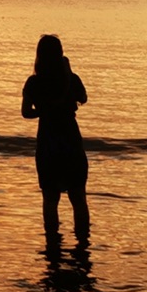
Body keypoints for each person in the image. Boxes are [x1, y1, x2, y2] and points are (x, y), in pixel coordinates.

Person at [20, 33, 90, 242]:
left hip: (48, 143)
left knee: (50, 199)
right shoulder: (71, 79)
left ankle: (52, 244)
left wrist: (45, 111)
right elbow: (84, 98)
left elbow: (26, 112)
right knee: (78, 198)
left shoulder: (34, 83)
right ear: (60, 54)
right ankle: (82, 243)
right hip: (70, 141)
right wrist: (68, 76)